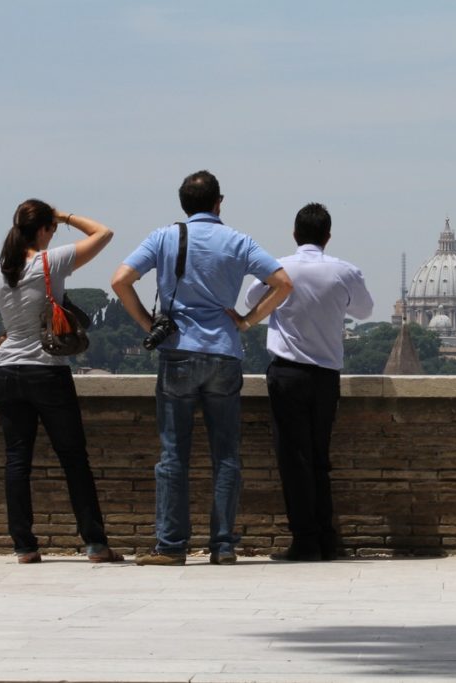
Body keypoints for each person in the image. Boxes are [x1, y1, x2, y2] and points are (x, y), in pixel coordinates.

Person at [111, 170, 292, 566]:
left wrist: (148, 324)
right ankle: (223, 545)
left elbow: (121, 279)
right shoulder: (239, 241)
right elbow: (283, 283)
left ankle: (171, 546)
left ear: (183, 204)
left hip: (177, 351)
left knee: (173, 454)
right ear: (219, 202)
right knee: (226, 454)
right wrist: (245, 321)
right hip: (224, 352)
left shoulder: (163, 237)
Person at [0, 199, 122, 564]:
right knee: (73, 458)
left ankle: (24, 546)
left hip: (8, 372)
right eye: (52, 228)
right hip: (47, 370)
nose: (54, 233)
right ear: (42, 229)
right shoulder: (50, 261)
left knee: (17, 460)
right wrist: (65, 215)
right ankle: (94, 543)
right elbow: (104, 233)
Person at [239, 203, 373, 562]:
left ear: (295, 235)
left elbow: (251, 301)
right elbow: (365, 311)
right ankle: (325, 537)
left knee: (293, 460)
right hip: (327, 376)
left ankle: (306, 540)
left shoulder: (277, 269)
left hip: (287, 374)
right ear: (328, 237)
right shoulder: (344, 271)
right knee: (319, 457)